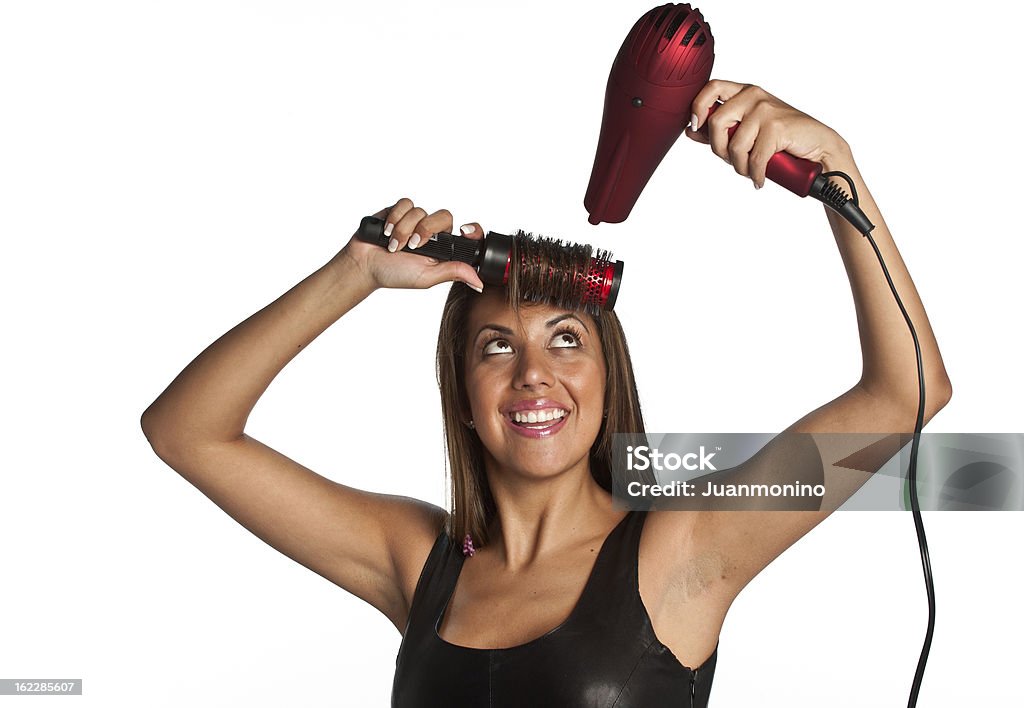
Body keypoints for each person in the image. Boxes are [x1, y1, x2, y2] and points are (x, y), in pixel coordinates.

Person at [140, 81, 952, 707]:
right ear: (462, 393)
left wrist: (837, 165)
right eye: (498, 347)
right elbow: (186, 431)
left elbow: (907, 393)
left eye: (568, 339)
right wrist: (353, 272)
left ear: (608, 375)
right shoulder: (418, 562)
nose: (535, 373)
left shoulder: (685, 549)